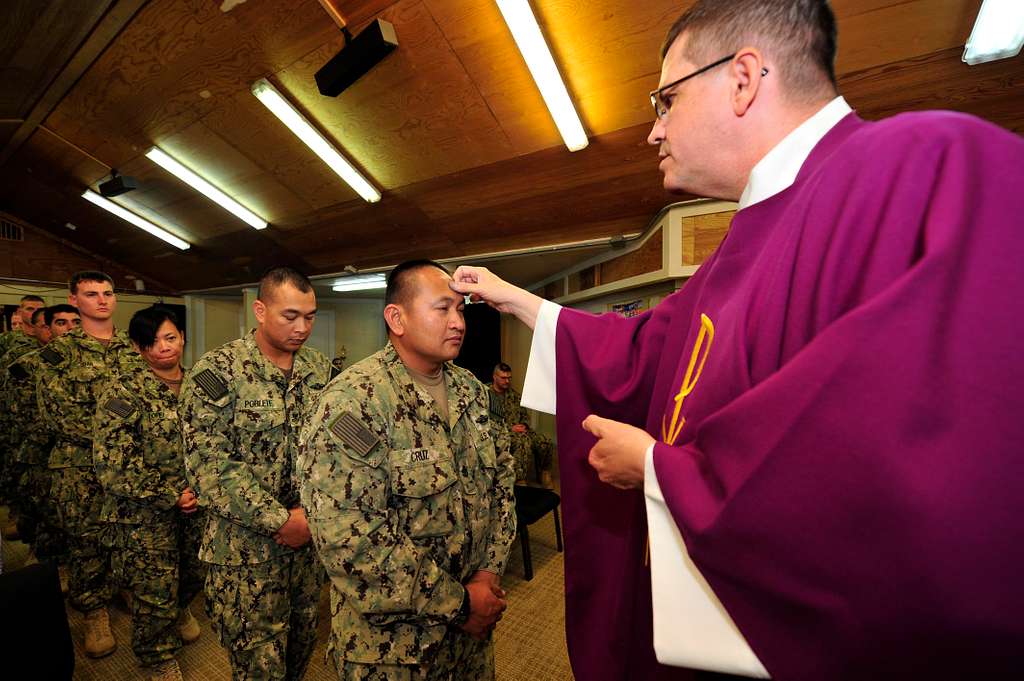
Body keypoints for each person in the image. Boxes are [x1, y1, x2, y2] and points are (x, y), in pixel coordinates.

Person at [449, 1, 1024, 679]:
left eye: (665, 100)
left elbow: (924, 484)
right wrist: (518, 299)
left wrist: (661, 471)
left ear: (744, 78)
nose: (653, 131)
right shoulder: (740, 247)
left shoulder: (928, 167)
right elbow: (641, 352)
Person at [297, 260, 516, 680]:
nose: (457, 323)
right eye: (442, 309)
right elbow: (350, 540)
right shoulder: (351, 404)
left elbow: (502, 483)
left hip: (469, 642)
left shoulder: (472, 392)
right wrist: (461, 604)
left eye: (461, 310)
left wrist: (488, 574)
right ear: (396, 318)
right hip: (393, 650)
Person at [179, 266, 330, 681]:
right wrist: (280, 520)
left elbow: (330, 452)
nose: (303, 327)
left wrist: (311, 515)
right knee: (257, 667)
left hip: (306, 548)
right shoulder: (216, 373)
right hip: (244, 554)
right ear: (260, 310)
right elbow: (210, 465)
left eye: (310, 316)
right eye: (290, 316)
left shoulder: (319, 370)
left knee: (301, 650)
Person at [93, 306, 206, 681]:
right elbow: (113, 463)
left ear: (183, 337)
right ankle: (157, 659)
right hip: (144, 514)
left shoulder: (201, 386)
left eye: (170, 338)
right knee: (152, 589)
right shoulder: (123, 391)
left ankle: (179, 608)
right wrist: (170, 493)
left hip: (198, 507)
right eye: (152, 342)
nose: (163, 348)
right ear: (139, 348)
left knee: (194, 572)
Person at [37, 272, 134, 658]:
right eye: (91, 294)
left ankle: (125, 586)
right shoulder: (60, 354)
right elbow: (55, 414)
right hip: (80, 465)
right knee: (87, 540)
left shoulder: (133, 347)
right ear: (74, 300)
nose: (102, 300)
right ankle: (94, 609)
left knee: (130, 531)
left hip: (130, 463)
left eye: (108, 293)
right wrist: (115, 436)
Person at [2, 305, 79, 565]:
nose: (70, 328)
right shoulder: (29, 365)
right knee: (45, 510)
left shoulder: (89, 363)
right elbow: (17, 411)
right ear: (45, 329)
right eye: (61, 323)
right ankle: (44, 562)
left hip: (77, 454)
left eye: (75, 322)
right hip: (41, 450)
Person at [488, 361, 554, 485]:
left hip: (521, 430)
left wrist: (524, 425)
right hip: (500, 432)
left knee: (545, 441)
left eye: (509, 378)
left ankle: (544, 472)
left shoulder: (514, 395)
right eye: (503, 378)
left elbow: (524, 415)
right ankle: (520, 479)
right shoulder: (486, 395)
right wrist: (510, 428)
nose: (507, 381)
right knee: (522, 442)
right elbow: (483, 420)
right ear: (494, 377)